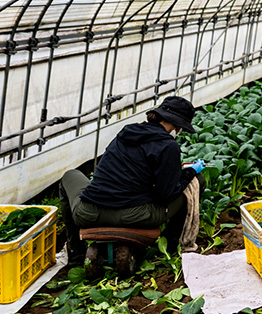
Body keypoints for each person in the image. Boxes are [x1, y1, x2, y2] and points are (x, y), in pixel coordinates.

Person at [60, 96, 205, 262]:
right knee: (197, 180)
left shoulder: (127, 132)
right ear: (177, 126)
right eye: (181, 128)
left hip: (89, 213)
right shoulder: (168, 145)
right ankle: (170, 247)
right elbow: (167, 194)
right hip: (136, 216)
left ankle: (76, 251)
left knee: (69, 176)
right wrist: (190, 172)